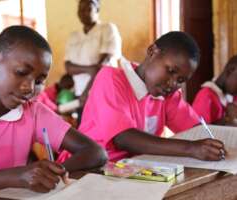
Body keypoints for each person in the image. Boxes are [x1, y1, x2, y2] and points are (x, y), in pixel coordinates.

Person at [0, 26, 107, 199]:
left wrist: (51, 172)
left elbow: (95, 152)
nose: (29, 88)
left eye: (39, 81)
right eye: (21, 72)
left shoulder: (33, 112)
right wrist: (17, 176)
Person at [58, 31, 226, 163]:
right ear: (152, 51)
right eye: (171, 71)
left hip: (133, 171)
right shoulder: (111, 79)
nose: (172, 83)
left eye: (180, 80)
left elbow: (195, 130)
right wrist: (191, 148)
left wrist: (211, 145)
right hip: (85, 170)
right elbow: (123, 138)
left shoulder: (167, 95)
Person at [65, 0, 122, 122]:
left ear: (97, 10)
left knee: (106, 131)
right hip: (80, 95)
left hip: (104, 93)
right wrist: (89, 69)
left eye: (88, 9)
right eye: (80, 9)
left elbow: (102, 67)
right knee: (85, 131)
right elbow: (68, 67)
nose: (83, 13)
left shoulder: (107, 29)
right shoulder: (73, 36)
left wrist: (87, 92)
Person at [192, 55, 237, 126]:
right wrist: (229, 119)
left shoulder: (232, 97)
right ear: (231, 70)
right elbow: (199, 131)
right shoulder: (206, 97)